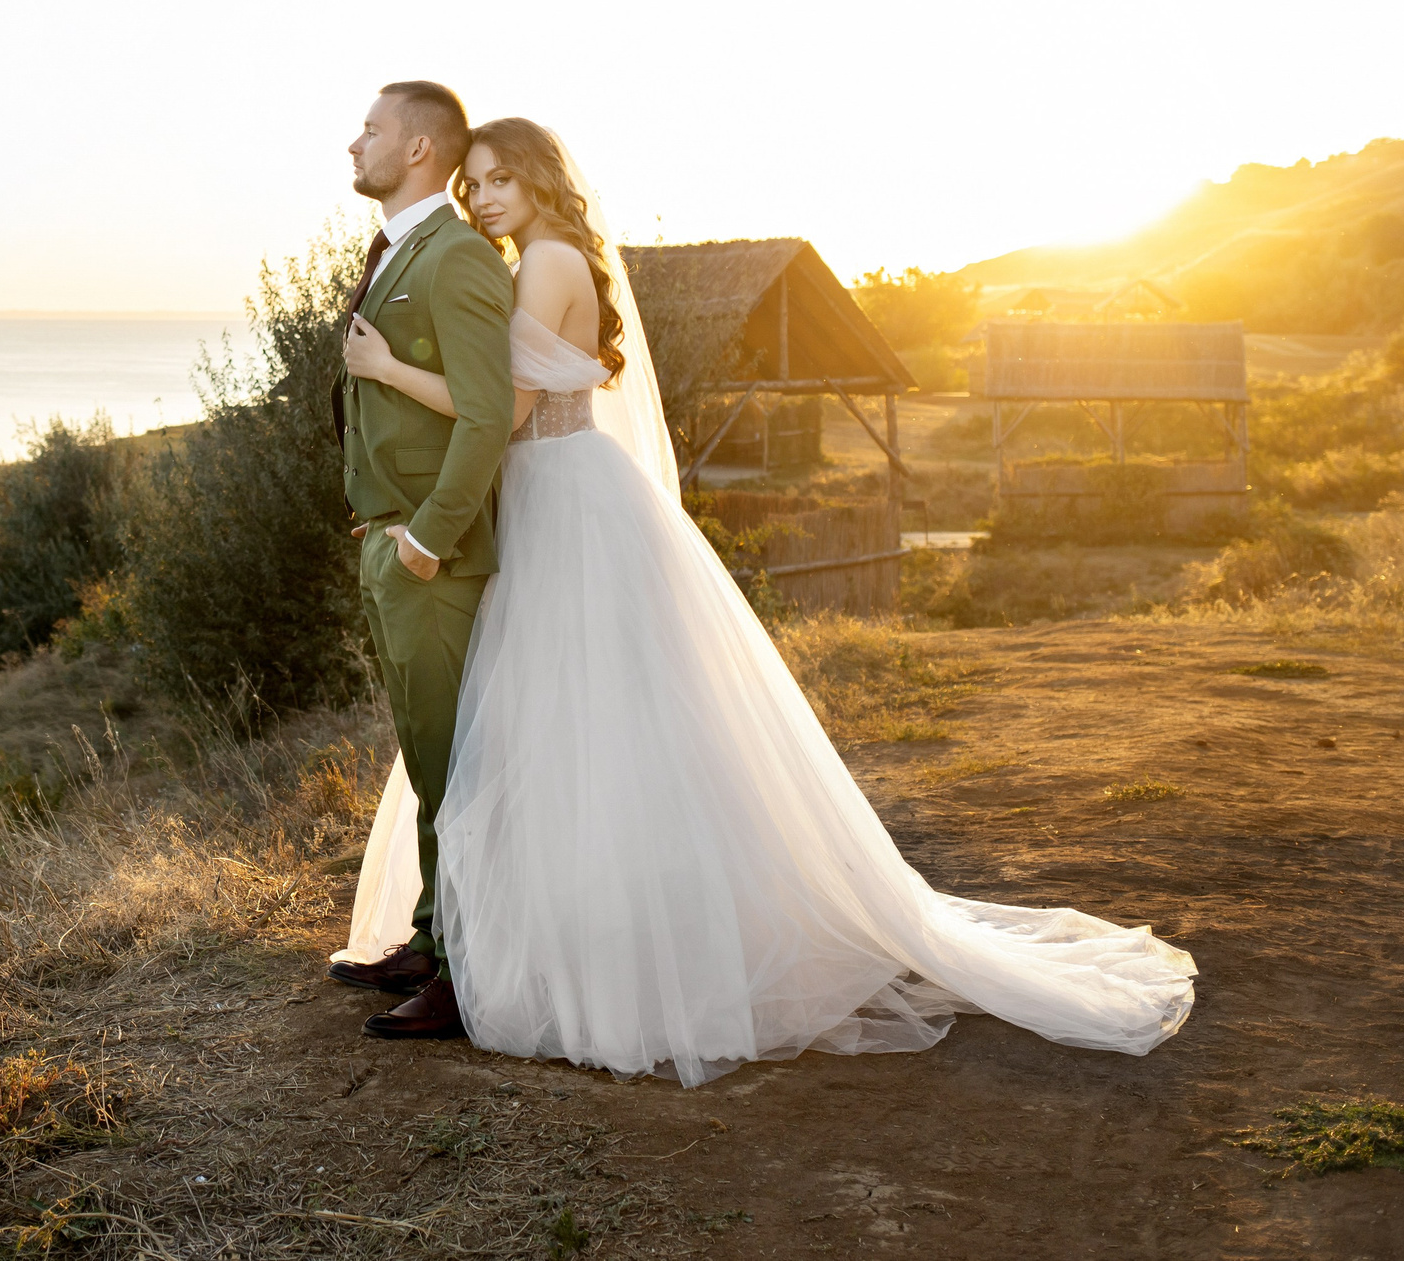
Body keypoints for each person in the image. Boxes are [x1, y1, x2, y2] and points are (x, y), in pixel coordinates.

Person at [333, 116, 1197, 1082]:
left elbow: (508, 410)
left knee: (562, 710)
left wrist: (388, 368)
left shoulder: (543, 264)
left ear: (536, 179)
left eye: (498, 180)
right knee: (589, 713)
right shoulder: (554, 252)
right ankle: (532, 926)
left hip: (555, 493)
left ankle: (572, 946)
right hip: (568, 488)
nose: (481, 198)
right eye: (474, 185)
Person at [323, 81, 515, 1041]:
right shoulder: (402, 249)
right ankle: (438, 936)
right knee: (430, 760)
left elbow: (488, 418)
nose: (352, 142)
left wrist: (429, 539)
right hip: (389, 543)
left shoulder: (459, 260)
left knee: (456, 769)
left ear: (419, 153)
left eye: (370, 129)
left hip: (431, 557)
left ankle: (467, 973)